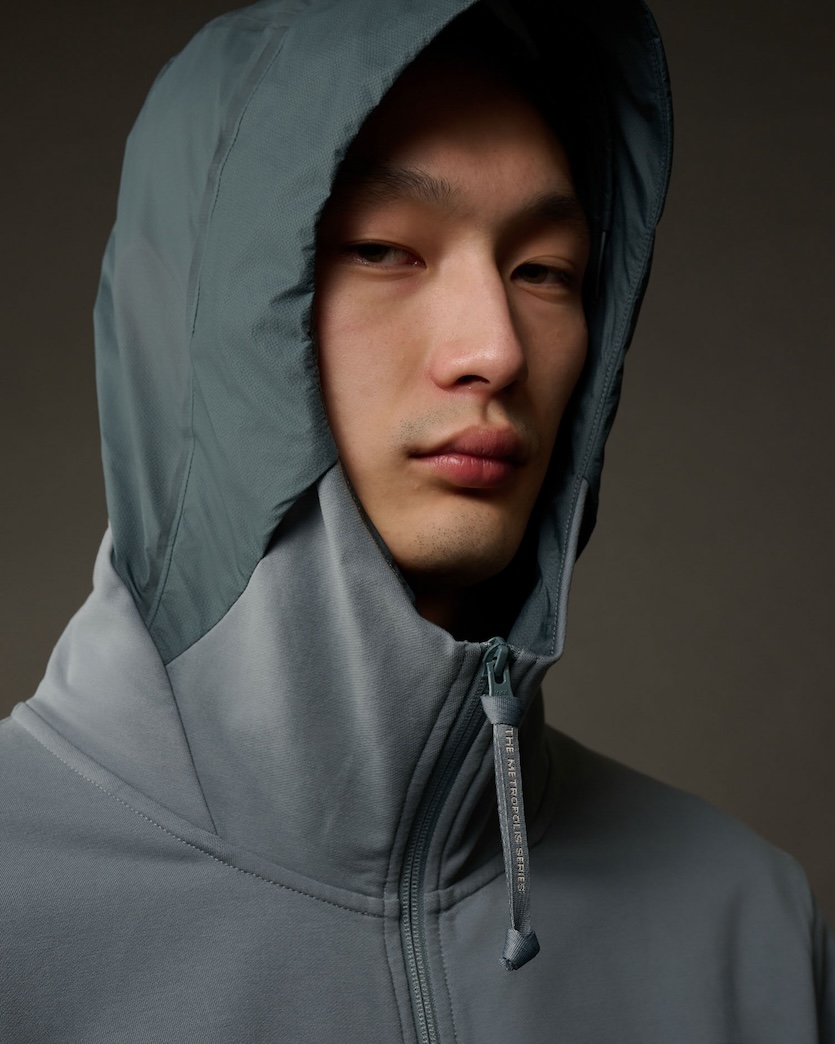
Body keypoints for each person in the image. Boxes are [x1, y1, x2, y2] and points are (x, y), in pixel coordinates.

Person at [0, 0, 831, 1040]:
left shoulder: (748, 925)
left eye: (545, 271)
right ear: (197, 321)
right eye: (384, 250)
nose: (496, 349)